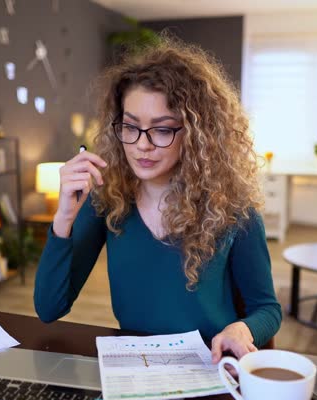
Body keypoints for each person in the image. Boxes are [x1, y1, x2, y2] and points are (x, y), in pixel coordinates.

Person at [34, 38, 282, 363]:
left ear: (195, 135)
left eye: (162, 130)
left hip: (210, 368)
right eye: (131, 126)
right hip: (139, 369)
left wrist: (242, 329)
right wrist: (64, 216)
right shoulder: (108, 201)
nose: (142, 146)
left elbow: (267, 309)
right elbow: (49, 308)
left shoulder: (234, 210)